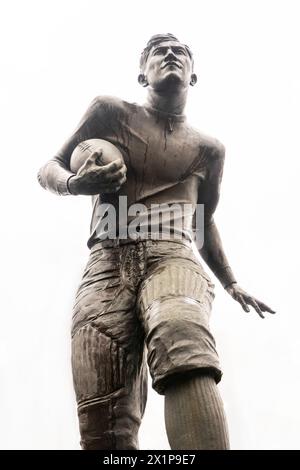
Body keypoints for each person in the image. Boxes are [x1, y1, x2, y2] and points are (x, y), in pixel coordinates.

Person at [37, 33, 275, 450]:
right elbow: (49, 168)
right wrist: (76, 184)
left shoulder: (208, 149)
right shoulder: (109, 112)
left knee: (182, 332)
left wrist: (231, 281)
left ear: (193, 76)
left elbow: (204, 220)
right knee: (101, 414)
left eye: (178, 50)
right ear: (141, 73)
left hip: (172, 255)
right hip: (107, 259)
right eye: (158, 51)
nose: (169, 54)